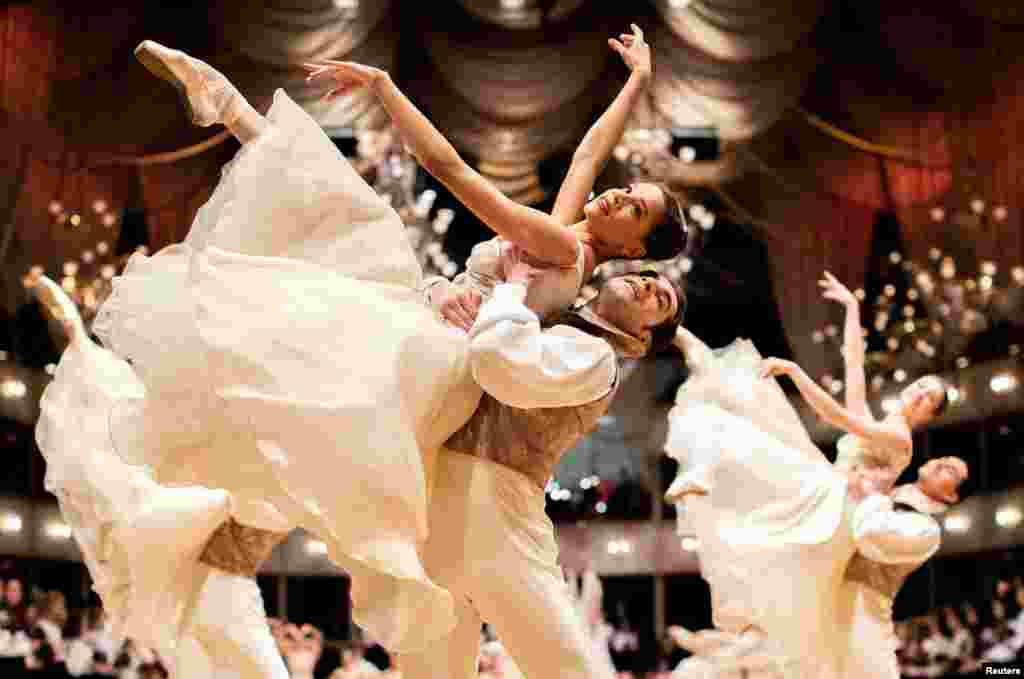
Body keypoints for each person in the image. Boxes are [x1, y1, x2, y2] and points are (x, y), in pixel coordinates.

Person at [393, 251, 683, 679]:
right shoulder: (546, 317)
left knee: (567, 667)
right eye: (647, 276)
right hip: (436, 495)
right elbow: (451, 325)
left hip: (497, 507)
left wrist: (513, 286)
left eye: (661, 300)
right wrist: (437, 290)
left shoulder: (597, 357)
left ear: (641, 339)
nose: (648, 284)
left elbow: (498, 358)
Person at [661, 273, 953, 678]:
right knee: (757, 436)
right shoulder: (881, 424)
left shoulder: (899, 439)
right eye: (921, 386)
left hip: (838, 510)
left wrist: (795, 372)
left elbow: (839, 417)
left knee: (757, 434)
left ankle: (702, 449)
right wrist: (851, 309)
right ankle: (690, 354)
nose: (918, 394)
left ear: (927, 416)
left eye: (928, 399)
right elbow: (854, 366)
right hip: (828, 495)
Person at [303, 24, 689, 324]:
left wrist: (382, 86)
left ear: (633, 251)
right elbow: (588, 159)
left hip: (438, 334)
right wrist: (638, 80)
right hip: (436, 322)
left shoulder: (563, 247)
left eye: (635, 210)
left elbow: (447, 168)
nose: (619, 195)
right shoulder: (568, 245)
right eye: (628, 189)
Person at [838, 458, 967, 679]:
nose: (940, 464)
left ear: (951, 496)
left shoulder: (926, 530)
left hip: (862, 615)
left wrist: (875, 490)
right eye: (944, 459)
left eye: (951, 471)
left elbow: (869, 533)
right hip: (826, 594)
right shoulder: (891, 491)